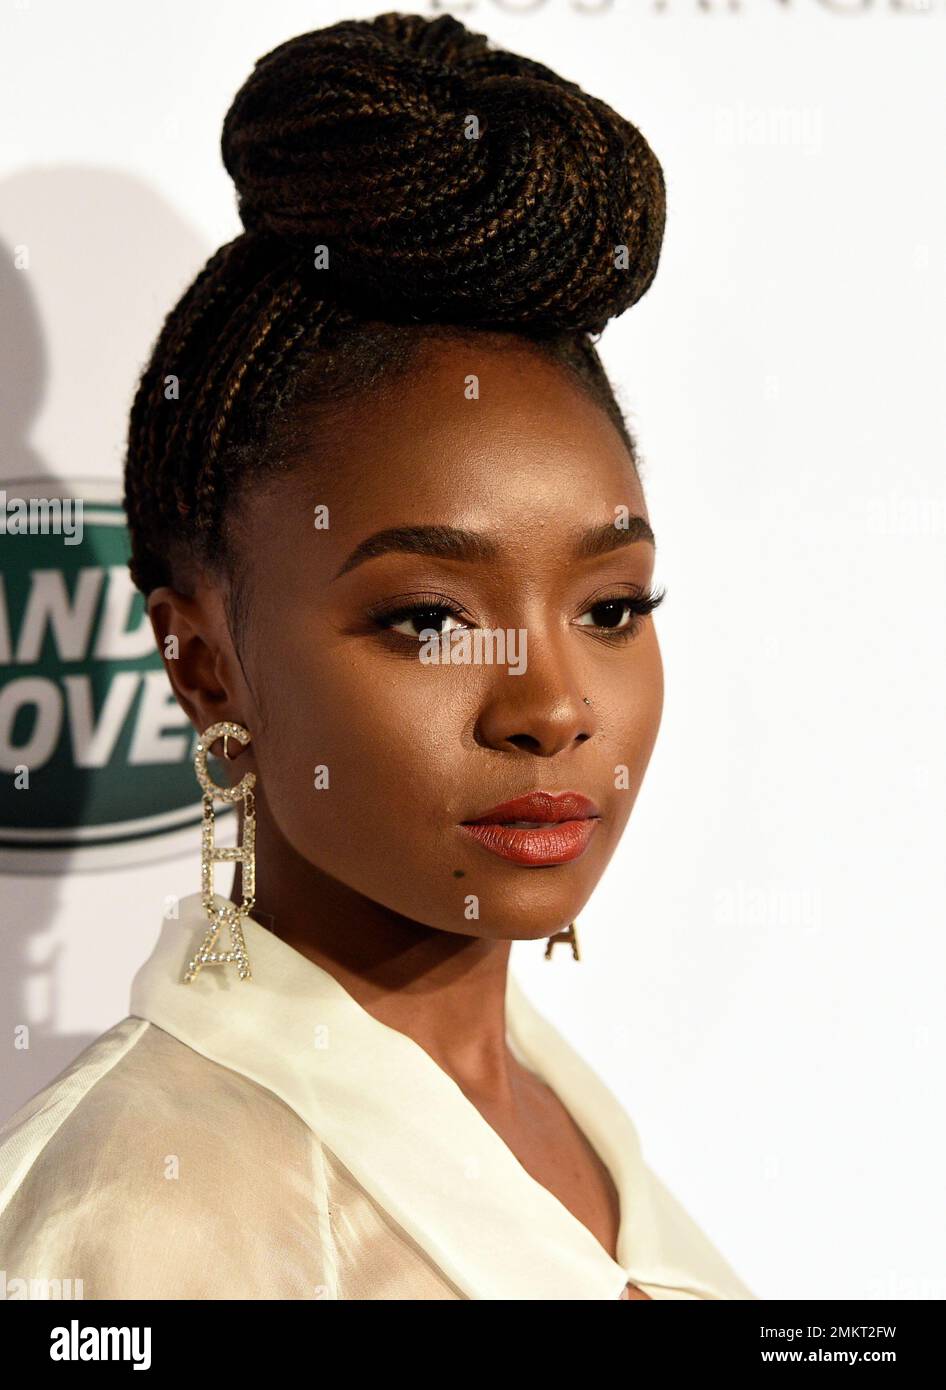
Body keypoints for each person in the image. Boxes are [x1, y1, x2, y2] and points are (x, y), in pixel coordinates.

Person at [0, 10, 754, 1300]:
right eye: (430, 620)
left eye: (614, 608)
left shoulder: (565, 1119)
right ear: (205, 666)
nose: (555, 704)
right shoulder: (122, 1227)